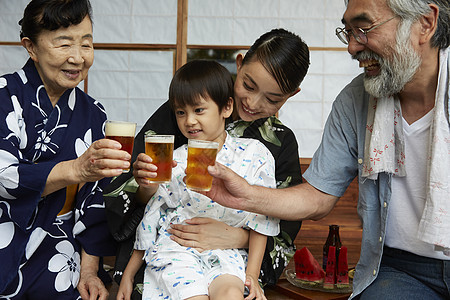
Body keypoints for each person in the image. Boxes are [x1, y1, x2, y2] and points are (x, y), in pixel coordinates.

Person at [203, 0, 450, 299]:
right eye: (347, 31)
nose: (352, 47)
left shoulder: (281, 139)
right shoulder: (355, 100)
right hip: (399, 270)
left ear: (425, 23)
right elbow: (319, 197)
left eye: (363, 28)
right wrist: (245, 194)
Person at [104, 28, 310, 295]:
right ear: (239, 64)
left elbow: (280, 223)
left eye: (272, 99)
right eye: (248, 85)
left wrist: (238, 237)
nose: (252, 102)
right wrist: (145, 185)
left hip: (234, 261)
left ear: (291, 94)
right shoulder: (186, 111)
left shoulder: (278, 144)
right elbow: (149, 198)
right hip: (172, 250)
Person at [0, 0, 132, 298]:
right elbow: (4, 176)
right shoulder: (4, 97)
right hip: (6, 236)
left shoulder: (94, 113)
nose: (78, 57)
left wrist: (88, 271)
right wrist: (74, 170)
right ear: (30, 47)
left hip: (60, 247)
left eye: (86, 44)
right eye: (64, 44)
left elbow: (96, 198)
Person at [116, 60, 279, 300]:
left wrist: (252, 275)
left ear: (226, 108)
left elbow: (262, 218)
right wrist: (128, 274)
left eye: (199, 110)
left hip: (227, 253)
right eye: (181, 112)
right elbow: (154, 215)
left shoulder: (255, 154)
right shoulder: (174, 161)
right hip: (178, 250)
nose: (189, 120)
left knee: (232, 295)